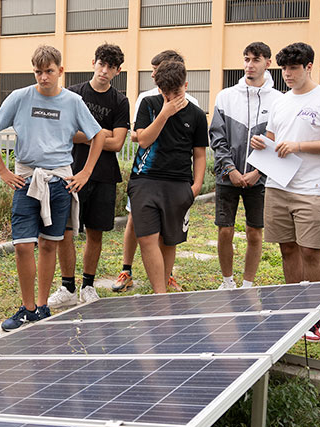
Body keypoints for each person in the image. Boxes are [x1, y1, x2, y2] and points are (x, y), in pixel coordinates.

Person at [0, 45, 104, 331]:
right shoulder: (20, 97)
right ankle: (26, 308)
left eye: (49, 71)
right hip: (27, 180)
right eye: (38, 72)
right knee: (23, 246)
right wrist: (2, 169)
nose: (43, 77)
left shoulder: (73, 102)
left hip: (59, 181)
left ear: (60, 71)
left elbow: (97, 135)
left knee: (50, 244)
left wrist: (85, 172)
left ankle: (42, 307)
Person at [249, 42, 320, 342]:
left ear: (309, 67)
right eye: (284, 69)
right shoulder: (281, 101)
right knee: (287, 248)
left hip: (312, 188)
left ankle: (317, 315)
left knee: (311, 251)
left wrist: (299, 146)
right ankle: (296, 310)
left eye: (293, 68)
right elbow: (273, 136)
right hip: (278, 185)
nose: (287, 74)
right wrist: (262, 142)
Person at [49, 43, 130, 309]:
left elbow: (118, 143)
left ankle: (88, 285)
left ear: (117, 71)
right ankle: (67, 286)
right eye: (101, 64)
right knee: (65, 231)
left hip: (104, 175)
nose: (104, 71)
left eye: (110, 67)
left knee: (96, 233)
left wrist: (92, 135)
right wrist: (100, 134)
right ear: (93, 62)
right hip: (71, 171)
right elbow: (66, 133)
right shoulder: (73, 94)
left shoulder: (120, 101)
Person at [115, 50, 197, 293]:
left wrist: (194, 185)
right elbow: (138, 135)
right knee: (137, 225)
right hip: (146, 176)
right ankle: (126, 269)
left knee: (169, 235)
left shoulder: (192, 106)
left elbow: (198, 148)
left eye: (157, 68)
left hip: (176, 181)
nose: (153, 74)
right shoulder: (148, 99)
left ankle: (165, 277)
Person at [209, 42, 282, 290]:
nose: (250, 65)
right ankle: (227, 281)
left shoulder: (279, 101)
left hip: (259, 180)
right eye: (246, 59)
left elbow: (278, 142)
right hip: (227, 177)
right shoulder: (226, 96)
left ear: (268, 63)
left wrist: (258, 172)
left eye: (256, 60)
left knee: (254, 232)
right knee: (225, 231)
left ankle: (248, 284)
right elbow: (217, 138)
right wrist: (231, 170)